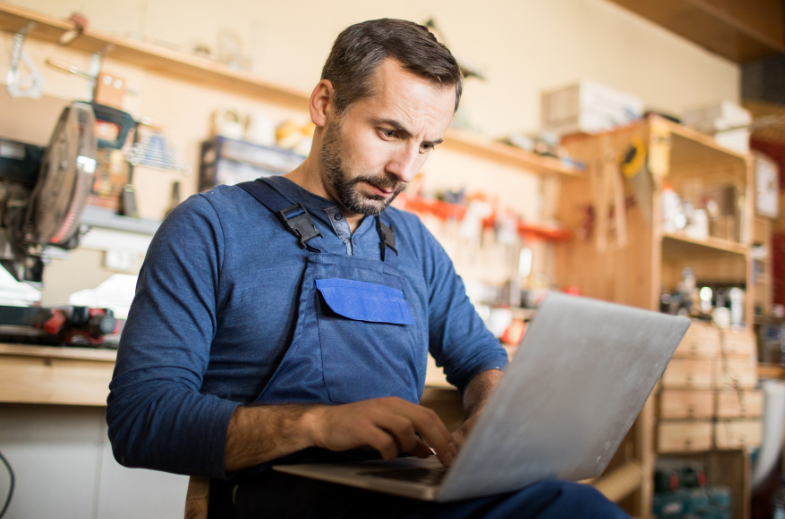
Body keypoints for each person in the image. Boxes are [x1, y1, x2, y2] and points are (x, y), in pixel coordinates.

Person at [107, 18, 628, 519]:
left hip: (398, 491)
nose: (406, 170)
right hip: (274, 498)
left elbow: (478, 357)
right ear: (324, 103)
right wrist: (318, 424)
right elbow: (141, 420)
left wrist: (490, 411)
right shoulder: (211, 226)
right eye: (389, 132)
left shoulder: (415, 243)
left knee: (572, 503)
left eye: (426, 146)